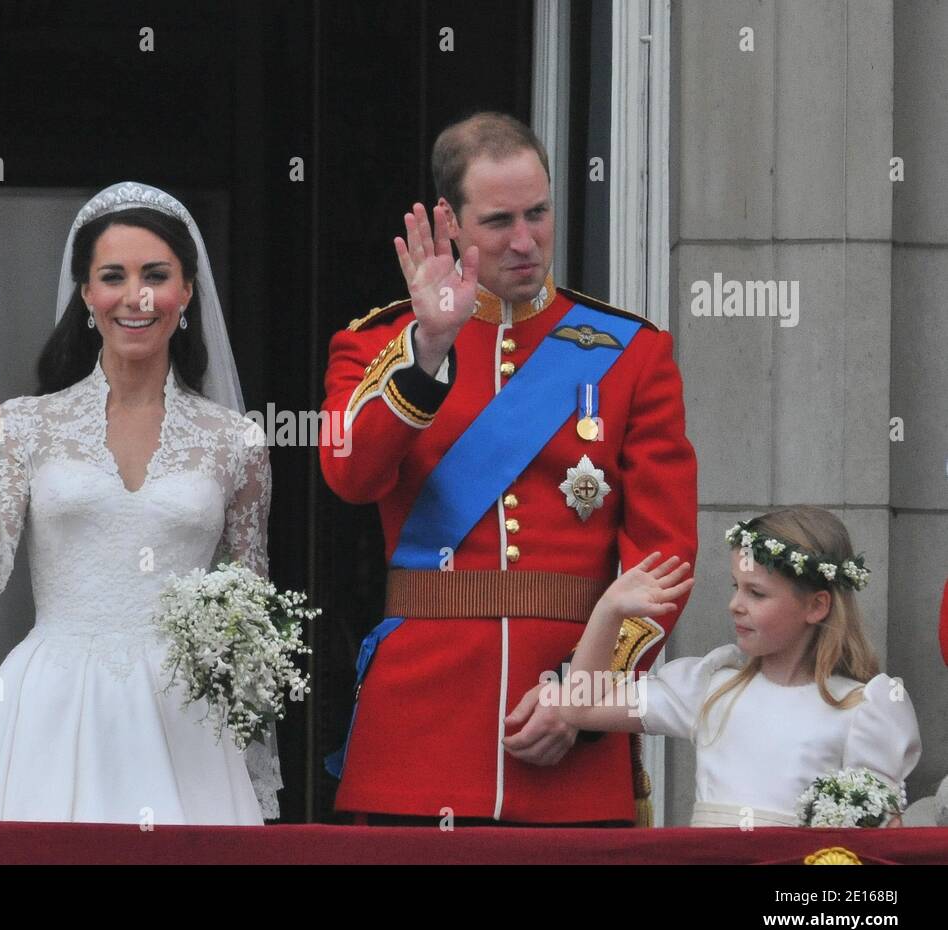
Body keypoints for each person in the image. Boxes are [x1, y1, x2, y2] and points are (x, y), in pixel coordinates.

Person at [320, 111, 698, 825]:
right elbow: (349, 475)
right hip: (418, 734)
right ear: (451, 223)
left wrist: (584, 698)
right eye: (499, 221)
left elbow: (664, 555)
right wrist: (429, 347)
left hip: (567, 733)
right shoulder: (379, 342)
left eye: (539, 213)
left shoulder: (631, 352)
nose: (526, 242)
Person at [0, 182, 279, 823]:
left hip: (182, 719)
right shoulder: (24, 423)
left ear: (186, 291)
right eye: (114, 276)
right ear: (87, 294)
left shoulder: (236, 440)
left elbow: (250, 610)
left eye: (156, 276)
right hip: (48, 704)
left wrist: (236, 729)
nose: (136, 297)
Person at [524, 506, 921, 827]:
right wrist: (609, 611)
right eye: (737, 587)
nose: (736, 604)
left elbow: (880, 837)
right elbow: (577, 707)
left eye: (757, 593)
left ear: (817, 605)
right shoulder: (711, 687)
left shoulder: (861, 708)